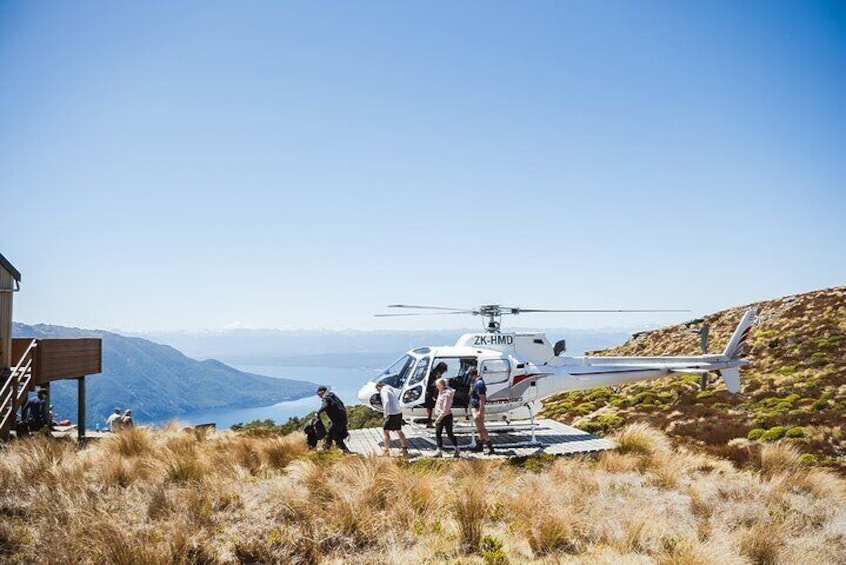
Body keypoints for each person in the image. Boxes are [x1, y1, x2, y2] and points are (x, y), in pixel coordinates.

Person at [375, 381, 409, 457]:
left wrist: (385, 413)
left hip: (391, 413)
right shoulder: (390, 388)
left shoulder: (384, 390)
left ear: (379, 387)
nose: (378, 391)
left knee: (385, 431)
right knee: (399, 430)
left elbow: (386, 402)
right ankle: (404, 448)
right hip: (398, 412)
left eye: (378, 390)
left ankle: (386, 451)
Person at [316, 386, 351, 453]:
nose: (318, 395)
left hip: (337, 421)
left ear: (322, 392)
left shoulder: (327, 398)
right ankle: (327, 449)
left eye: (318, 393)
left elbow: (325, 405)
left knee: (335, 435)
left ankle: (345, 451)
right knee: (330, 433)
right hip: (342, 420)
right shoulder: (332, 396)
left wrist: (318, 412)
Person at [468, 368, 494, 455]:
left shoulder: (479, 383)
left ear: (472, 374)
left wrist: (481, 411)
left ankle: (490, 447)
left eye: (469, 375)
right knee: (479, 428)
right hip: (474, 406)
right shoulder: (476, 382)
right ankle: (480, 445)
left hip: (478, 408)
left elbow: (482, 399)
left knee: (482, 428)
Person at [433, 378, 460, 458]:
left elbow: (446, 408)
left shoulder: (447, 394)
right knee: (438, 432)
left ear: (441, 385)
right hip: (439, 415)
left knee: (449, 433)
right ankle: (439, 450)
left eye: (438, 385)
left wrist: (439, 418)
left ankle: (456, 448)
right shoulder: (440, 392)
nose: (436, 386)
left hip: (446, 416)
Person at [425, 362, 448, 427]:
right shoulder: (433, 374)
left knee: (432, 407)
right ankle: (429, 421)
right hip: (430, 392)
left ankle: (433, 421)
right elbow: (430, 384)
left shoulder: (437, 374)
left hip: (434, 392)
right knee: (430, 407)